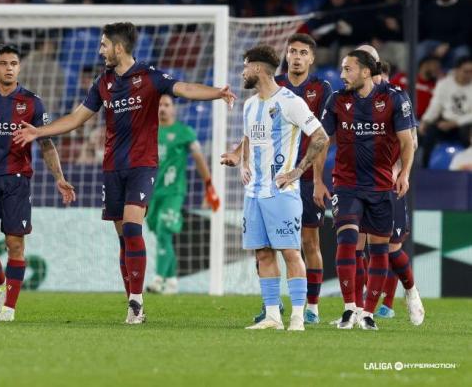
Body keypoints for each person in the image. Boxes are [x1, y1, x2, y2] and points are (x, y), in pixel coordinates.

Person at [12, 22, 236, 324]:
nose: (100, 50)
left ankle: (136, 301)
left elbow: (185, 88)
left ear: (119, 47)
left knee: (133, 228)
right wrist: (39, 132)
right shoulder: (102, 83)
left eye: (104, 44)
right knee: (123, 238)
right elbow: (77, 118)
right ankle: (131, 298)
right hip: (112, 167)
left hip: (143, 165)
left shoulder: (150, 77)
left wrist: (217, 92)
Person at [0, 43, 76, 322]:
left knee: (15, 245)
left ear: (18, 68)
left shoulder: (33, 102)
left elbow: (45, 142)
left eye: (13, 64)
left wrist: (59, 178)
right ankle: (1, 284)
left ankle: (9, 308)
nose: (9, 68)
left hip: (17, 182)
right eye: (4, 64)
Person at [221, 33, 332, 325]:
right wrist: (241, 160)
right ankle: (272, 315)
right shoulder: (249, 105)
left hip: (282, 192)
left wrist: (298, 171)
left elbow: (321, 137)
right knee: (262, 254)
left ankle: (298, 315)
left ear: (257, 69)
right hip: (254, 193)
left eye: (245, 67)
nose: (242, 73)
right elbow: (249, 138)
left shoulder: (289, 102)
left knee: (291, 253)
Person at [316, 49, 416, 330]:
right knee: (347, 241)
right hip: (346, 185)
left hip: (382, 185)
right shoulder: (337, 100)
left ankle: (368, 313)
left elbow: (407, 142)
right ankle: (350, 309)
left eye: (347, 69)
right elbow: (322, 141)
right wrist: (316, 179)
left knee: (381, 250)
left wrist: (404, 173)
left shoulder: (394, 98)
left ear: (364, 71)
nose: (342, 74)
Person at [145, 94, 220, 295]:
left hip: (174, 192)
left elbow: (199, 159)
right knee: (162, 235)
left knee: (163, 230)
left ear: (173, 109)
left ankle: (158, 279)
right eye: (159, 104)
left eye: (166, 104)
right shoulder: (149, 131)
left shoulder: (184, 132)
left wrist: (209, 186)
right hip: (152, 192)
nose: (162, 108)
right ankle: (171, 281)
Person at [419, 56, 472, 167]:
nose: (469, 75)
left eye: (471, 72)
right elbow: (435, 105)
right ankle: (425, 168)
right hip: (445, 122)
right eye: (466, 71)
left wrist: (456, 122)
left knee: (467, 134)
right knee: (429, 133)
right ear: (457, 70)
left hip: (466, 124)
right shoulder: (444, 84)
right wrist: (426, 121)